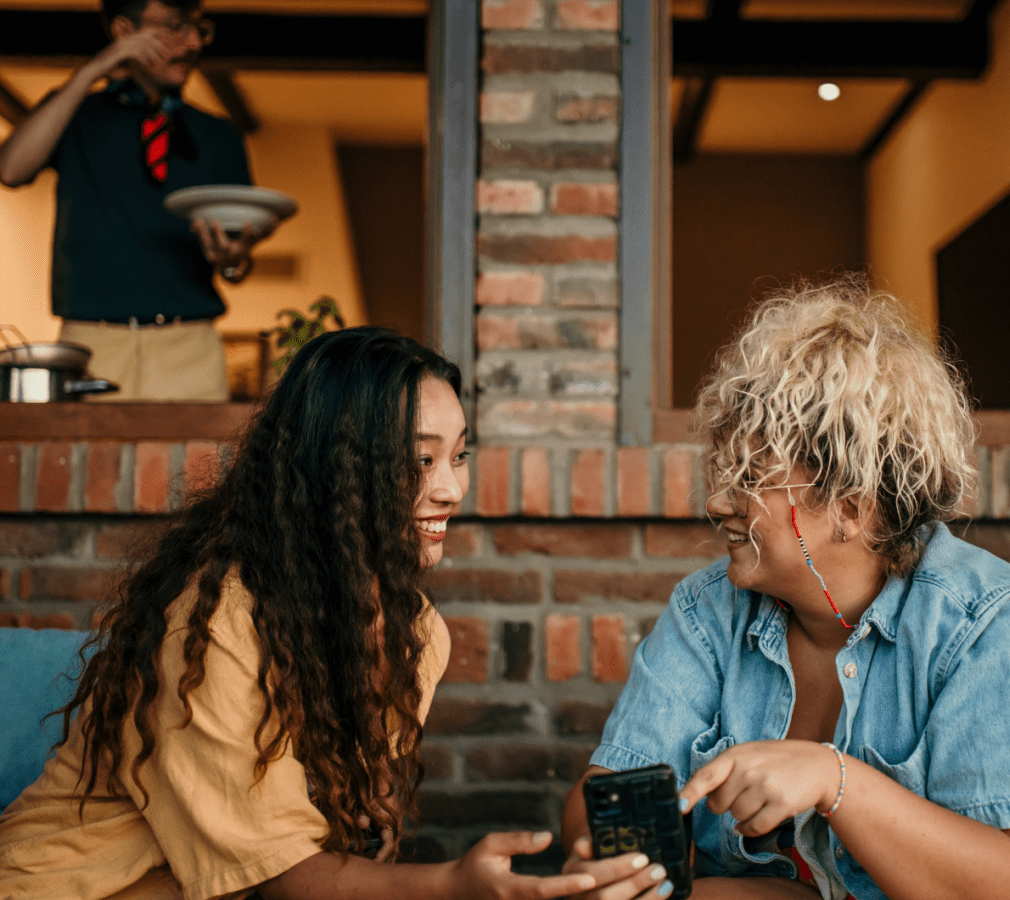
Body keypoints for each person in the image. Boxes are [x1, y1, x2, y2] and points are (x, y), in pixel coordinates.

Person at [559, 279, 1010, 900]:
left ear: (852, 510)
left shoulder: (1004, 626)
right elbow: (605, 800)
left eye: (752, 478)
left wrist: (832, 779)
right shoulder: (706, 613)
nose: (717, 501)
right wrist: (623, 867)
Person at [0, 328, 599, 900]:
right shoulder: (215, 625)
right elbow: (285, 877)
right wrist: (452, 886)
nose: (451, 489)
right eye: (420, 461)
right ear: (334, 467)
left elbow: (365, 830)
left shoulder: (415, 633)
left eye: (459, 455)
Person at [0, 0, 273, 402]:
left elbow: (237, 259)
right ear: (125, 31)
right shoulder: (77, 115)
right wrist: (93, 70)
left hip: (191, 346)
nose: (195, 41)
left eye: (200, 29)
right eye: (177, 25)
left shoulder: (220, 135)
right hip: (93, 344)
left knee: (197, 467)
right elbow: (10, 169)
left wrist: (233, 259)